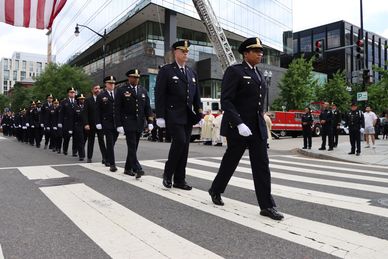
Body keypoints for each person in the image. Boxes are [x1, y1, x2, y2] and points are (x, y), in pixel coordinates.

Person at [208, 37, 283, 220]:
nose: (260, 54)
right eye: (256, 51)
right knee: (230, 161)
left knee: (262, 166)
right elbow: (226, 100)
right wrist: (239, 123)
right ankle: (216, 189)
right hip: (238, 127)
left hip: (256, 128)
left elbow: (258, 102)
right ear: (246, 53)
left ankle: (267, 206)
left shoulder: (258, 73)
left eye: (261, 51)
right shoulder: (235, 71)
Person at [155, 40, 203, 190]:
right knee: (180, 142)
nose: (185, 53)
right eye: (183, 51)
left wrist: (200, 114)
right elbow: (159, 94)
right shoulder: (167, 70)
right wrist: (160, 116)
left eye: (187, 51)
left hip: (188, 115)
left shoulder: (191, 72)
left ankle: (180, 180)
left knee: (185, 147)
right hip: (173, 114)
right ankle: (168, 174)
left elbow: (196, 96)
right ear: (175, 52)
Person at [115, 69, 153, 178]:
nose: (136, 79)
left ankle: (127, 168)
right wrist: (119, 124)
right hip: (128, 122)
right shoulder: (122, 90)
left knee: (134, 147)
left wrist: (150, 121)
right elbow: (117, 109)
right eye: (134, 77)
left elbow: (148, 108)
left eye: (138, 77)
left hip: (139, 123)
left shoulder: (143, 90)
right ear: (129, 78)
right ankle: (137, 168)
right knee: (131, 146)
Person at [96, 76, 119, 172]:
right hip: (106, 122)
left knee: (113, 142)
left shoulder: (118, 94)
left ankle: (105, 157)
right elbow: (97, 110)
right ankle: (112, 164)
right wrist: (98, 122)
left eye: (113, 83)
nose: (112, 85)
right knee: (109, 142)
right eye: (110, 83)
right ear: (106, 84)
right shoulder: (101, 95)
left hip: (116, 123)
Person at [84, 84, 107, 164]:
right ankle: (89, 157)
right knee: (91, 141)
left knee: (101, 141)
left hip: (100, 124)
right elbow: (85, 113)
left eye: (99, 88)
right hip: (91, 124)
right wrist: (86, 124)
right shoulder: (88, 100)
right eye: (95, 88)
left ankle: (105, 157)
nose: (97, 90)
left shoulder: (103, 99)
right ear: (92, 90)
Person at [58, 87, 77, 156]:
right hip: (67, 122)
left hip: (75, 122)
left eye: (73, 92)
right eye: (71, 92)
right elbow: (61, 113)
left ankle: (74, 151)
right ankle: (65, 150)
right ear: (68, 93)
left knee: (75, 138)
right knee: (66, 137)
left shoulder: (76, 101)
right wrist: (60, 122)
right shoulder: (64, 102)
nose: (72, 93)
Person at [73, 94, 86, 161]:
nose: (82, 100)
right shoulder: (75, 107)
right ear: (78, 100)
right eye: (81, 99)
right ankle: (82, 155)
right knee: (80, 140)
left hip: (86, 125)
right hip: (78, 125)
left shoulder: (86, 106)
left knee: (84, 141)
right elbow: (72, 118)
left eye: (83, 99)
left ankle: (80, 150)